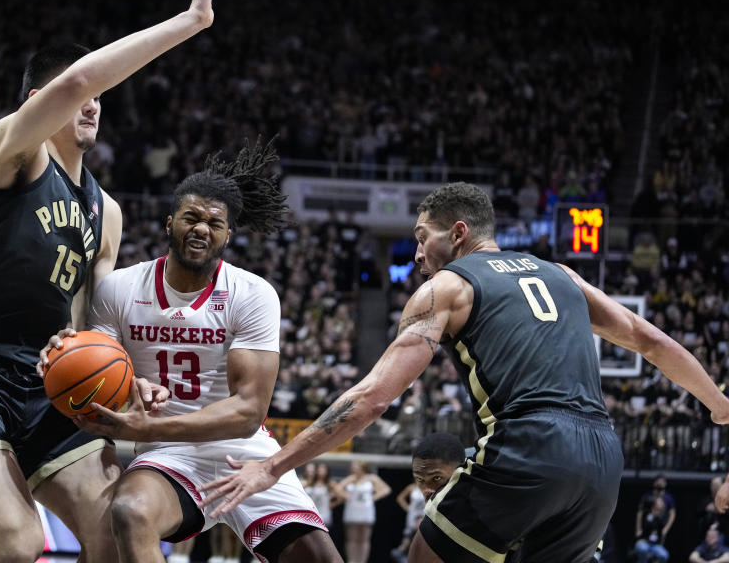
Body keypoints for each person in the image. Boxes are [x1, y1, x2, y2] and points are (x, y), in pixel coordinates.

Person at [202, 182, 729, 563]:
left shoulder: (448, 287)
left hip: (530, 445)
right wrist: (717, 403)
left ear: (457, 233)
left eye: (421, 237)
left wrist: (272, 468)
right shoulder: (562, 274)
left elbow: (372, 398)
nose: (416, 254)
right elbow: (651, 340)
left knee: (428, 555)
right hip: (603, 458)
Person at [0, 0, 217, 563]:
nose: (93, 101)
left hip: (48, 381)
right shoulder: (13, 150)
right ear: (38, 102)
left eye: (99, 97)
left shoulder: (105, 210)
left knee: (114, 532)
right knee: (17, 545)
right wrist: (190, 22)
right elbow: (81, 78)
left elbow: (95, 316)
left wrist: (135, 379)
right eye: (77, 92)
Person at [40, 141, 341, 563]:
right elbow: (98, 371)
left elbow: (248, 412)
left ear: (227, 235)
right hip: (168, 457)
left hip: (245, 451)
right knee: (129, 512)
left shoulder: (252, 294)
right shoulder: (120, 288)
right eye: (192, 217)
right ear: (170, 223)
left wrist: (148, 429)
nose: (202, 228)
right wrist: (63, 355)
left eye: (214, 223)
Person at [391, 433, 465, 563]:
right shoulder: (427, 532)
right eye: (420, 479)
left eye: (436, 478)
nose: (427, 490)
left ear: (461, 472)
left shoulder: (485, 511)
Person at [337, 461, 390, 563]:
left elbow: (386, 489)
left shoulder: (371, 478)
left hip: (366, 511)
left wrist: (373, 497)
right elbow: (338, 488)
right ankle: (352, 560)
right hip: (352, 510)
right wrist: (347, 496)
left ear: (362, 467)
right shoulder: (351, 478)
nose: (353, 468)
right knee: (351, 539)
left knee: (364, 539)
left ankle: (362, 561)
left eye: (355, 466)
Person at [635, 476, 675, 552]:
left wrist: (666, 528)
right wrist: (638, 528)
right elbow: (640, 512)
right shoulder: (647, 497)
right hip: (647, 527)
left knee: (661, 554)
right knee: (642, 548)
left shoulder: (668, 498)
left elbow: (672, 514)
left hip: (660, 528)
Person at [633, 497, 670, 563]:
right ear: (654, 504)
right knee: (642, 549)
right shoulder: (647, 514)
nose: (662, 504)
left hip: (655, 545)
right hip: (644, 542)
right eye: (660, 502)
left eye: (662, 503)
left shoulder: (662, 518)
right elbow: (645, 526)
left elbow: (663, 532)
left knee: (664, 555)